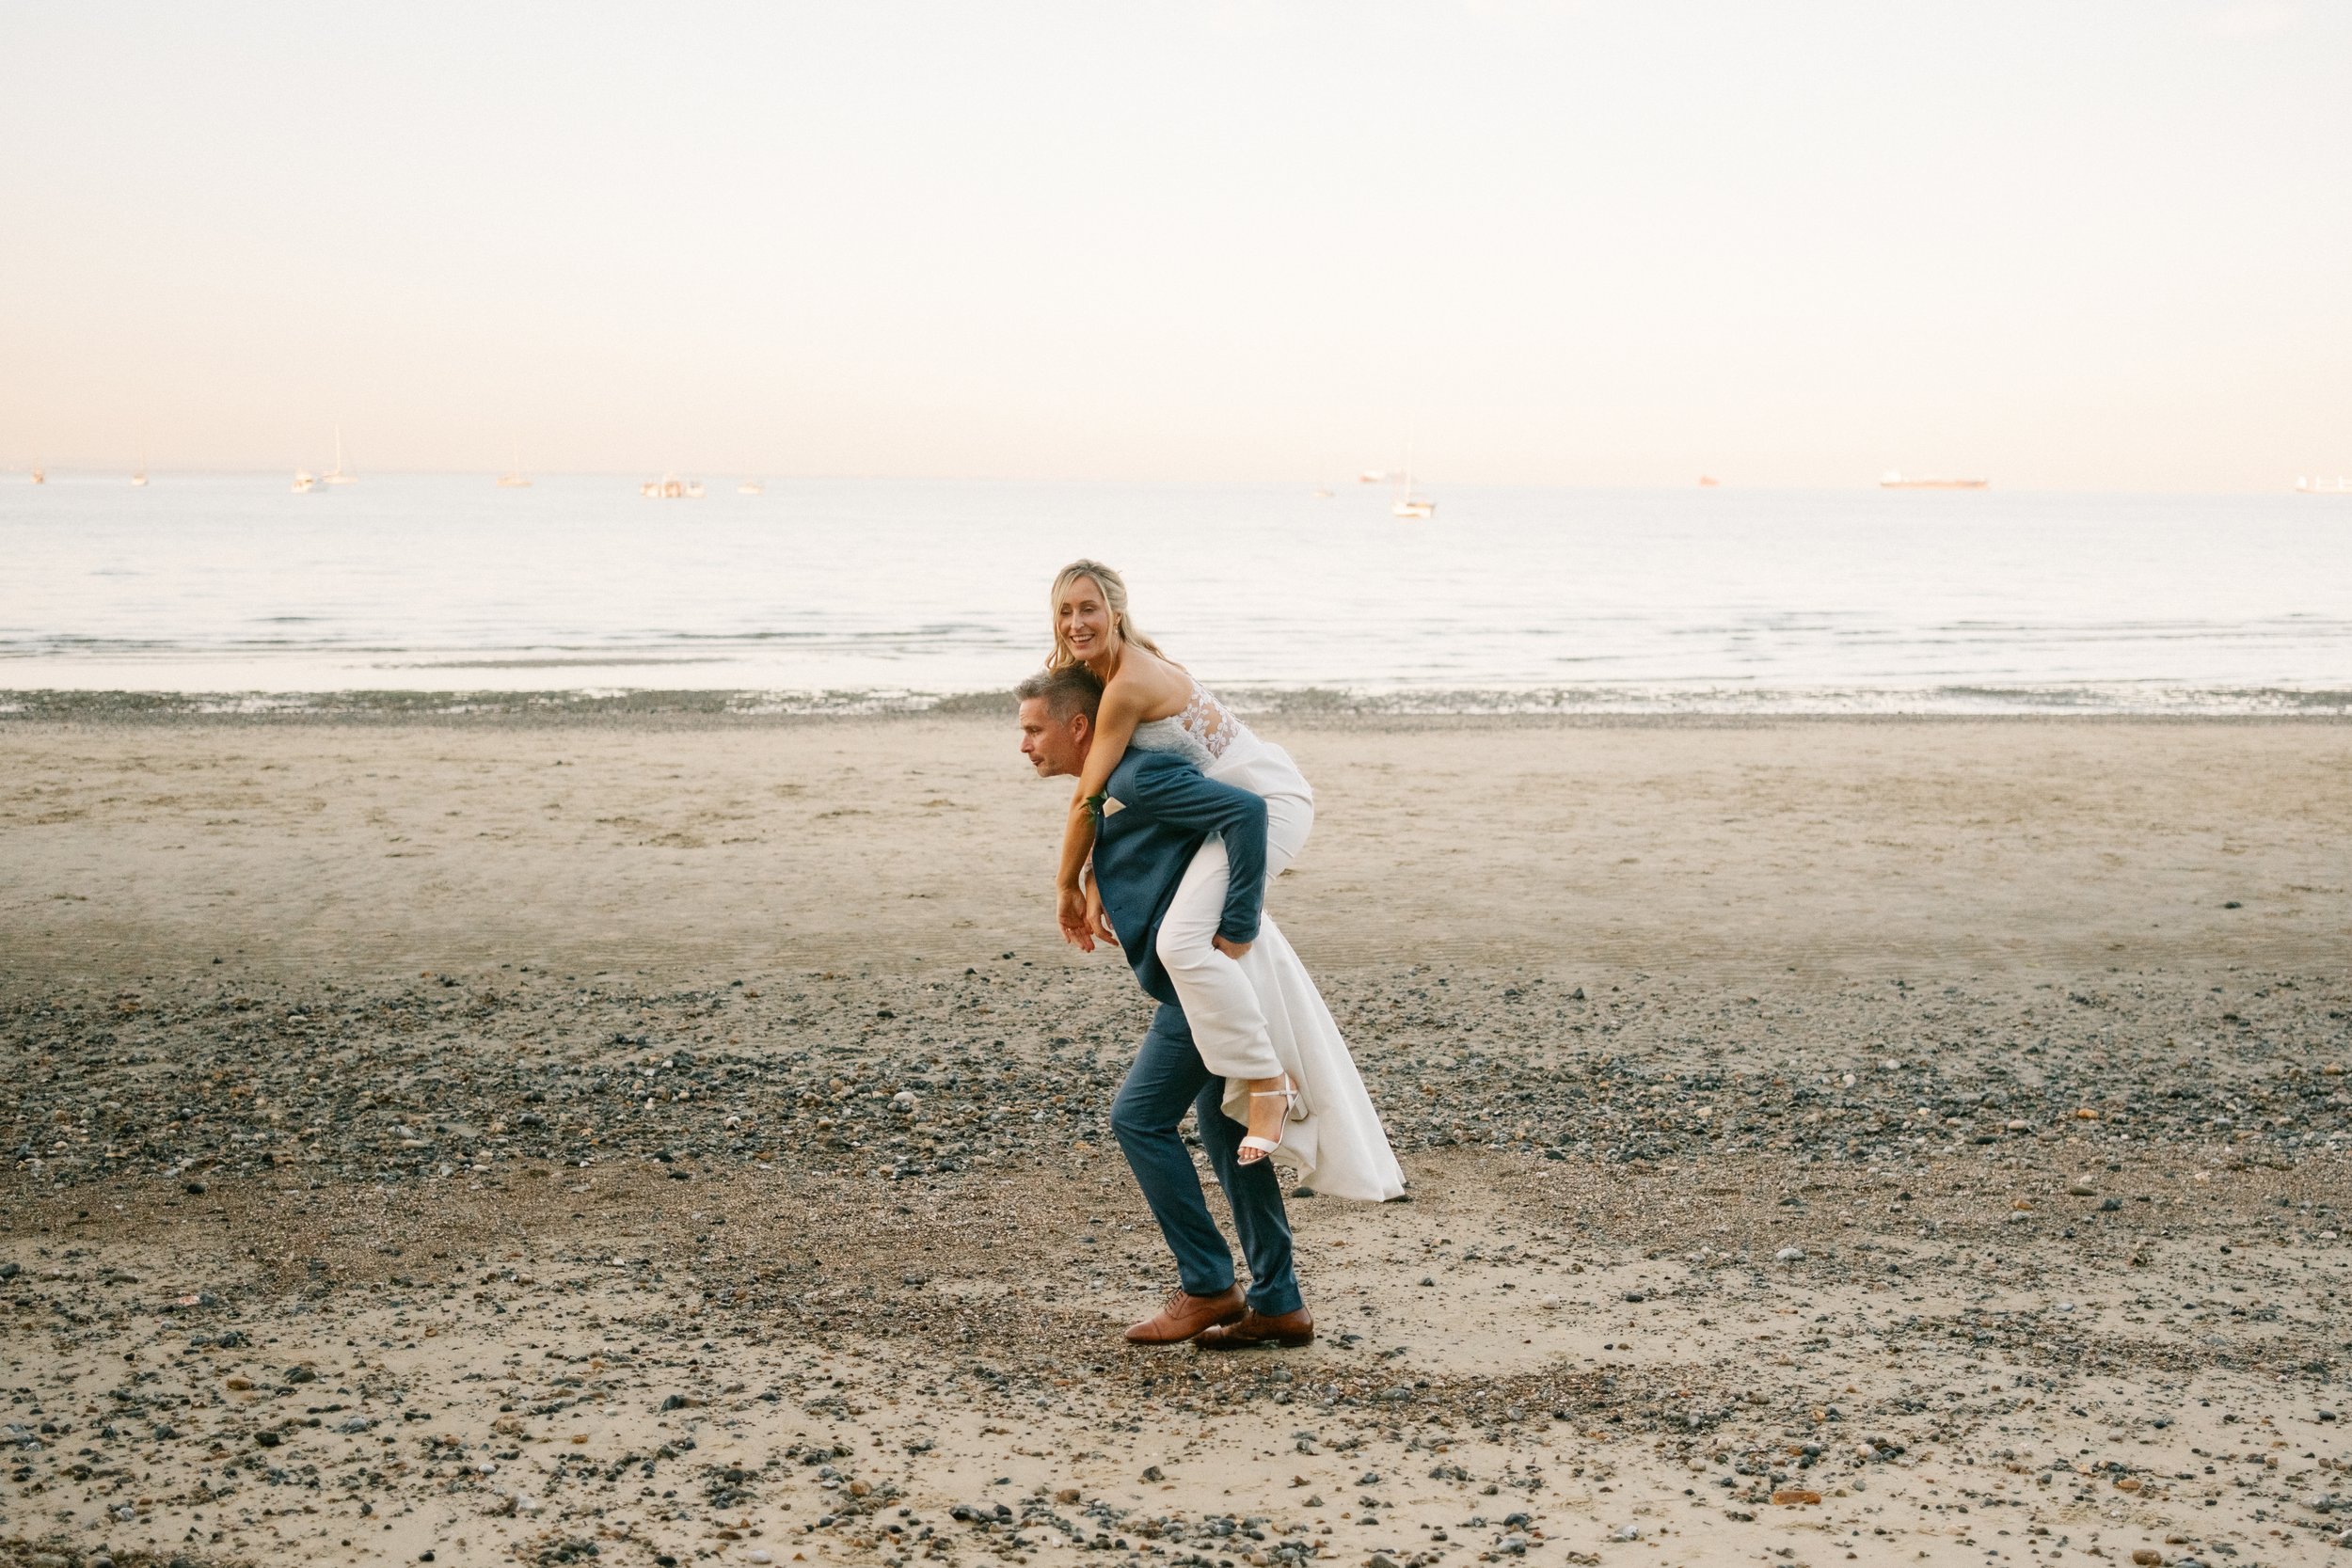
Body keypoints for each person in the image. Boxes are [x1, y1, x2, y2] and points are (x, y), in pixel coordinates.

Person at [1017, 662, 1312, 1347]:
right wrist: (1092, 872)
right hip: (1205, 983)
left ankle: (1210, 1284)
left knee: (1139, 1117)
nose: (1025, 744)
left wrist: (1236, 924)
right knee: (1221, 1127)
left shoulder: (1133, 776)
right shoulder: (1126, 785)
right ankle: (1279, 1300)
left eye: (1035, 729)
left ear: (1079, 725)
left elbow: (1245, 813)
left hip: (1201, 986)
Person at [1044, 560, 1315, 1163]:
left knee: (1182, 944)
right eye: (1064, 611)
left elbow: (1088, 797)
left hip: (1263, 807)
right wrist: (1093, 876)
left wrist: (1066, 884)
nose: (1076, 622)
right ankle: (1244, 1078)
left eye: (1088, 609)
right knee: (1188, 945)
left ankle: (1270, 1083)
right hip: (1226, 814)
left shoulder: (1129, 682)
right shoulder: (1107, 670)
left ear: (1115, 611)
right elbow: (1140, 790)